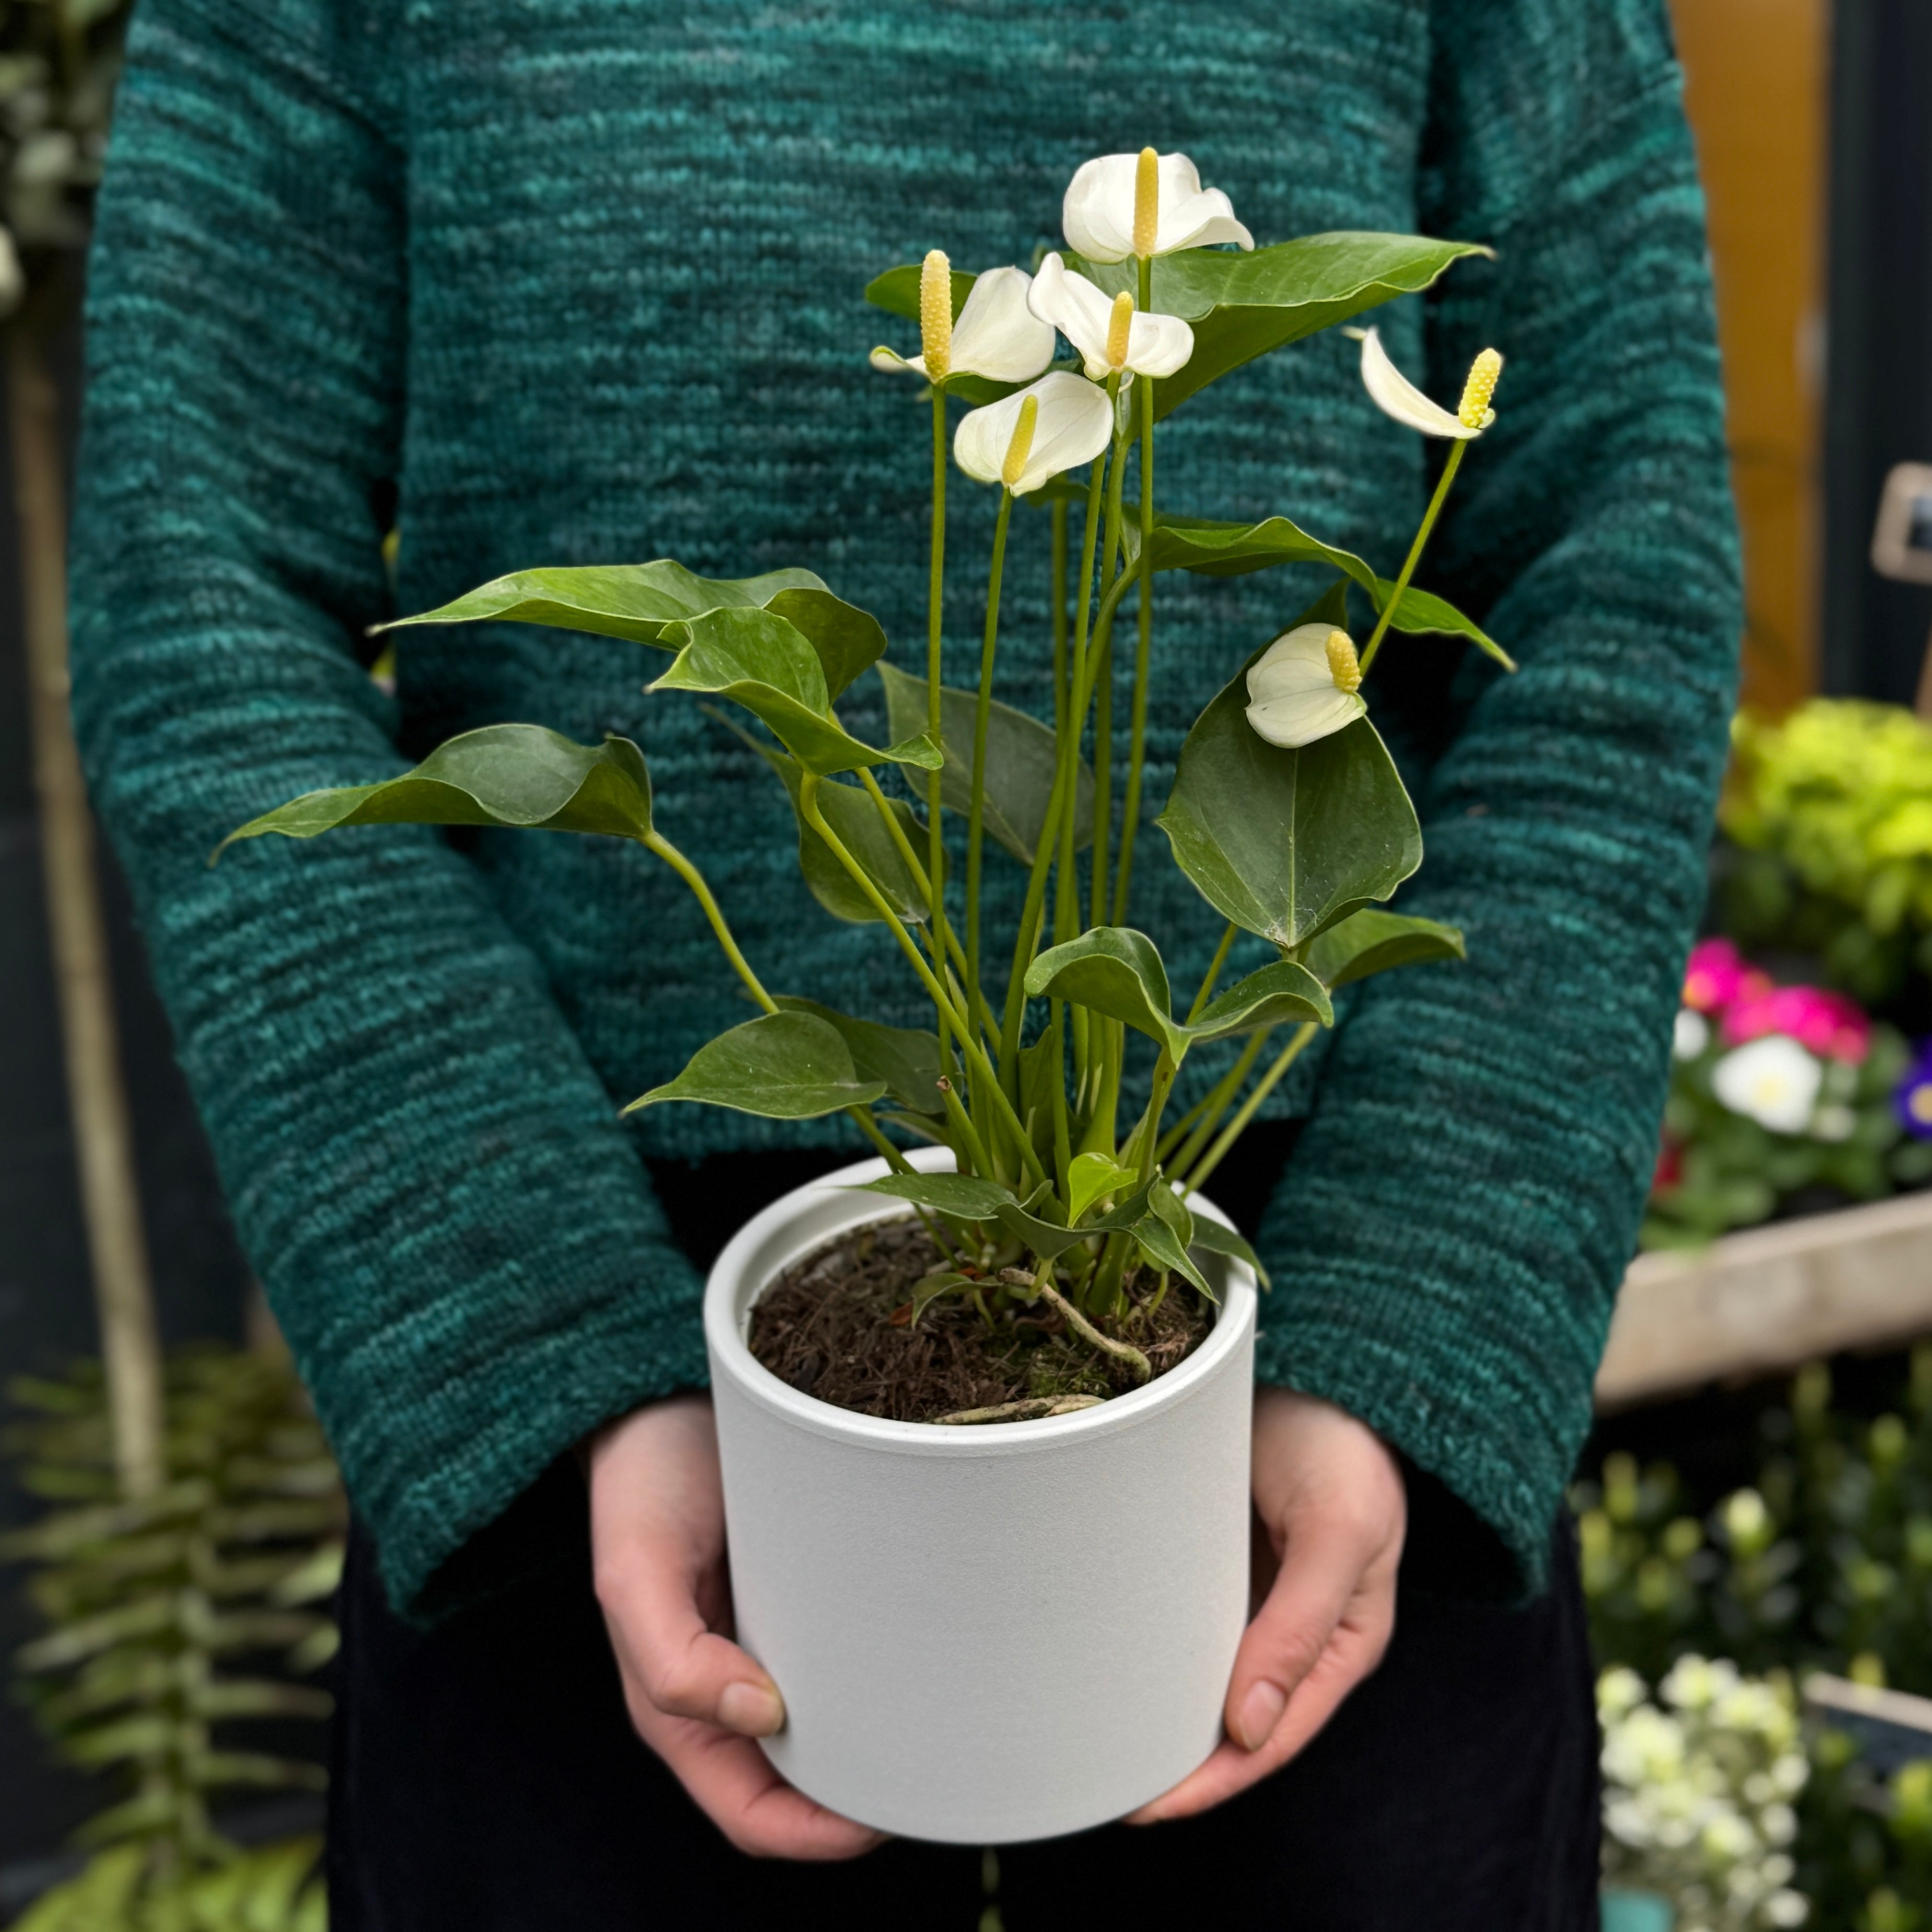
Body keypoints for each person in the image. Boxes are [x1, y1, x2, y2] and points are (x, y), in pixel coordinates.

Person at [68, 0, 1740, 1924]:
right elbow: (198, 603)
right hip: (596, 1387)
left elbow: (1614, 575)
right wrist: (536, 1343)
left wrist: (1411, 1324)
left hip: (1311, 1361)